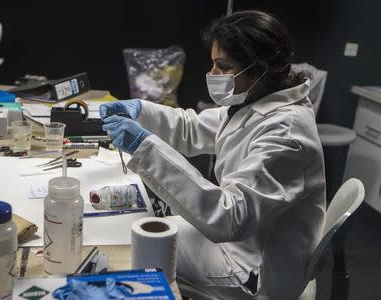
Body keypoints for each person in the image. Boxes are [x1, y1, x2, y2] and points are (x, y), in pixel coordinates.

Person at [100, 10, 326, 300]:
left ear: (259, 69)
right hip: (244, 244)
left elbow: (228, 217)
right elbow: (192, 128)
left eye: (223, 66)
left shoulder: (287, 134)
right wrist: (141, 110)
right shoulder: (257, 100)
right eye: (213, 64)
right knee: (148, 229)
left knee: (142, 245)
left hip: (255, 271)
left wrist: (143, 146)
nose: (212, 74)